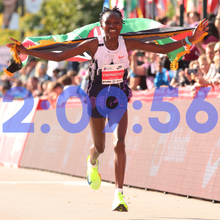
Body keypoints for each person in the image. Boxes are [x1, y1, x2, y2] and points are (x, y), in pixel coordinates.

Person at [6, 6, 209, 212]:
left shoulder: (127, 42)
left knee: (120, 143)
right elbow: (61, 56)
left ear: (122, 26)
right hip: (96, 98)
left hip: (119, 97)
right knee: (100, 147)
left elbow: (163, 49)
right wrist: (27, 52)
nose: (112, 27)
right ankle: (92, 160)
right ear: (101, 26)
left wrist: (192, 39)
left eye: (116, 23)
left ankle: (118, 195)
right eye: (108, 24)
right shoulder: (94, 44)